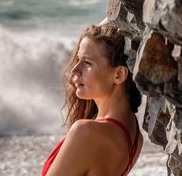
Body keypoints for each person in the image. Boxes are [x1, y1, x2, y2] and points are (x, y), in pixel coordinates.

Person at [42, 21, 143, 176]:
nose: (75, 70)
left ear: (119, 75)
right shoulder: (134, 135)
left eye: (87, 62)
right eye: (78, 60)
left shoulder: (86, 132)